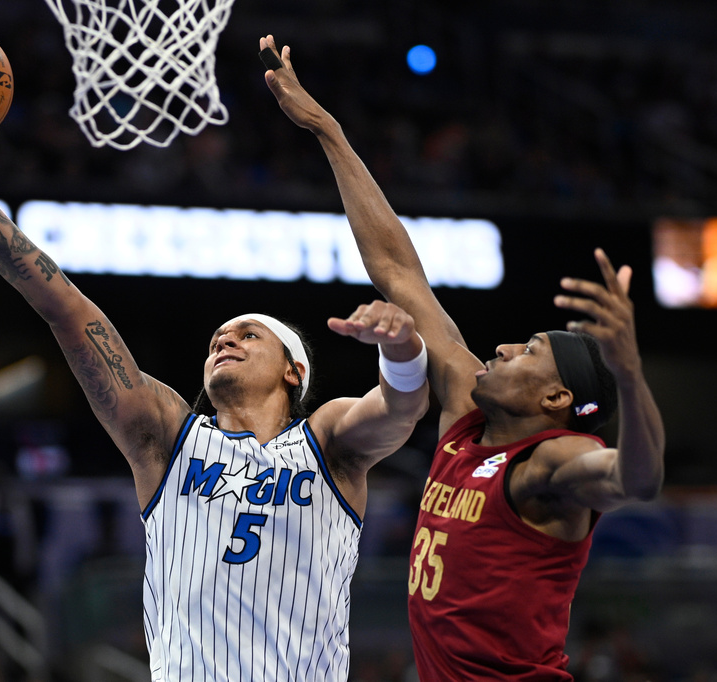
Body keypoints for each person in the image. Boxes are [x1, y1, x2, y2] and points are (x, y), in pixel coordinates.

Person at [0, 99, 430, 681]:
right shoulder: (166, 437)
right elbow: (64, 308)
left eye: (248, 335)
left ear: (294, 371)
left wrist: (401, 349)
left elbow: (401, 408)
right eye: (217, 338)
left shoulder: (328, 442)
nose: (225, 342)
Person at [259, 35, 666, 680]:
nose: (503, 348)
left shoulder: (550, 463)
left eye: (528, 350)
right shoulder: (465, 416)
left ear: (555, 400)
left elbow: (637, 481)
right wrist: (328, 132)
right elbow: (397, 271)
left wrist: (630, 372)